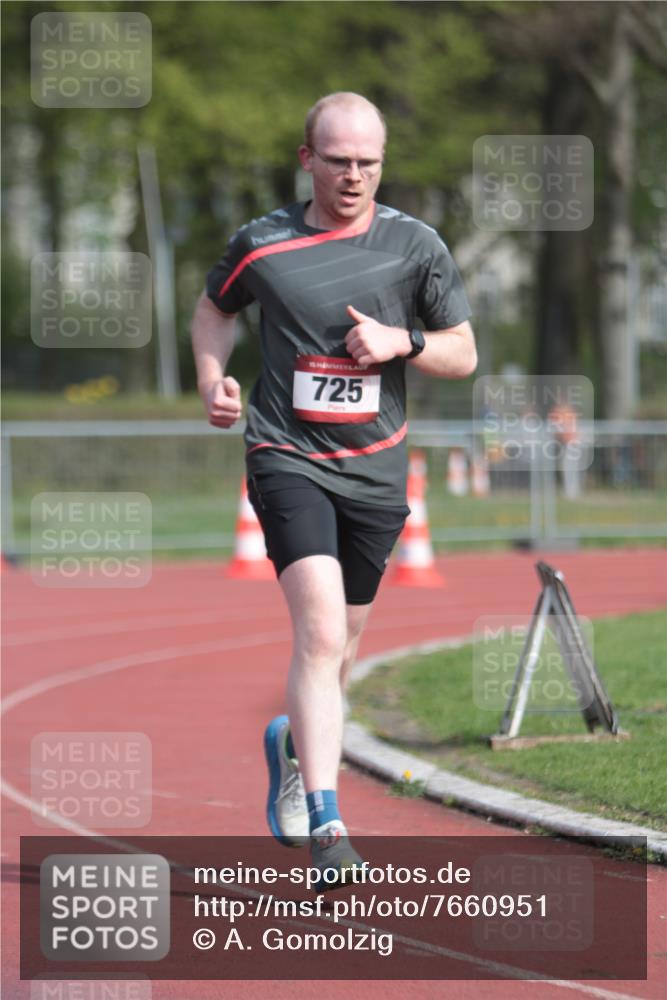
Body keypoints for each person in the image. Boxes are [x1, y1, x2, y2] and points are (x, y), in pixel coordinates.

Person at [191, 92, 477, 891]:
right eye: (338, 160)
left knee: (341, 651)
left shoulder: (415, 247)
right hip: (288, 454)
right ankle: (329, 826)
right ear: (305, 158)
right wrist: (213, 380)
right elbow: (214, 306)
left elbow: (463, 353)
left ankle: (290, 749)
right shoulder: (264, 242)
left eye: (368, 162)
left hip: (377, 472)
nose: (353, 176)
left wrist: (402, 341)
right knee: (318, 636)